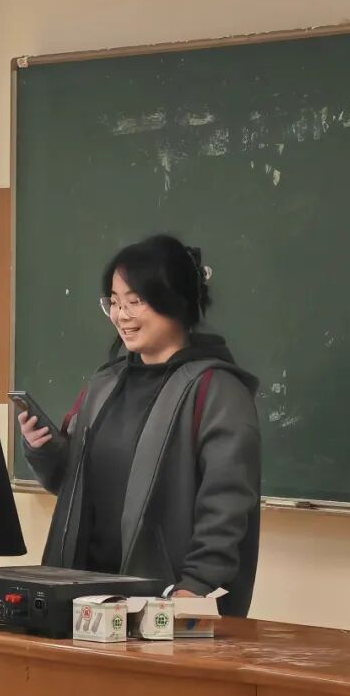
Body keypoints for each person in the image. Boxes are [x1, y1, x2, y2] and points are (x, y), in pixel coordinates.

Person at [20, 233, 261, 616]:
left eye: (135, 302)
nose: (122, 316)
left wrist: (195, 587)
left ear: (174, 300)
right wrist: (44, 450)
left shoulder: (216, 390)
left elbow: (227, 506)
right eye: (114, 303)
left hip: (165, 602)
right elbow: (71, 484)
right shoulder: (103, 384)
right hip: (85, 600)